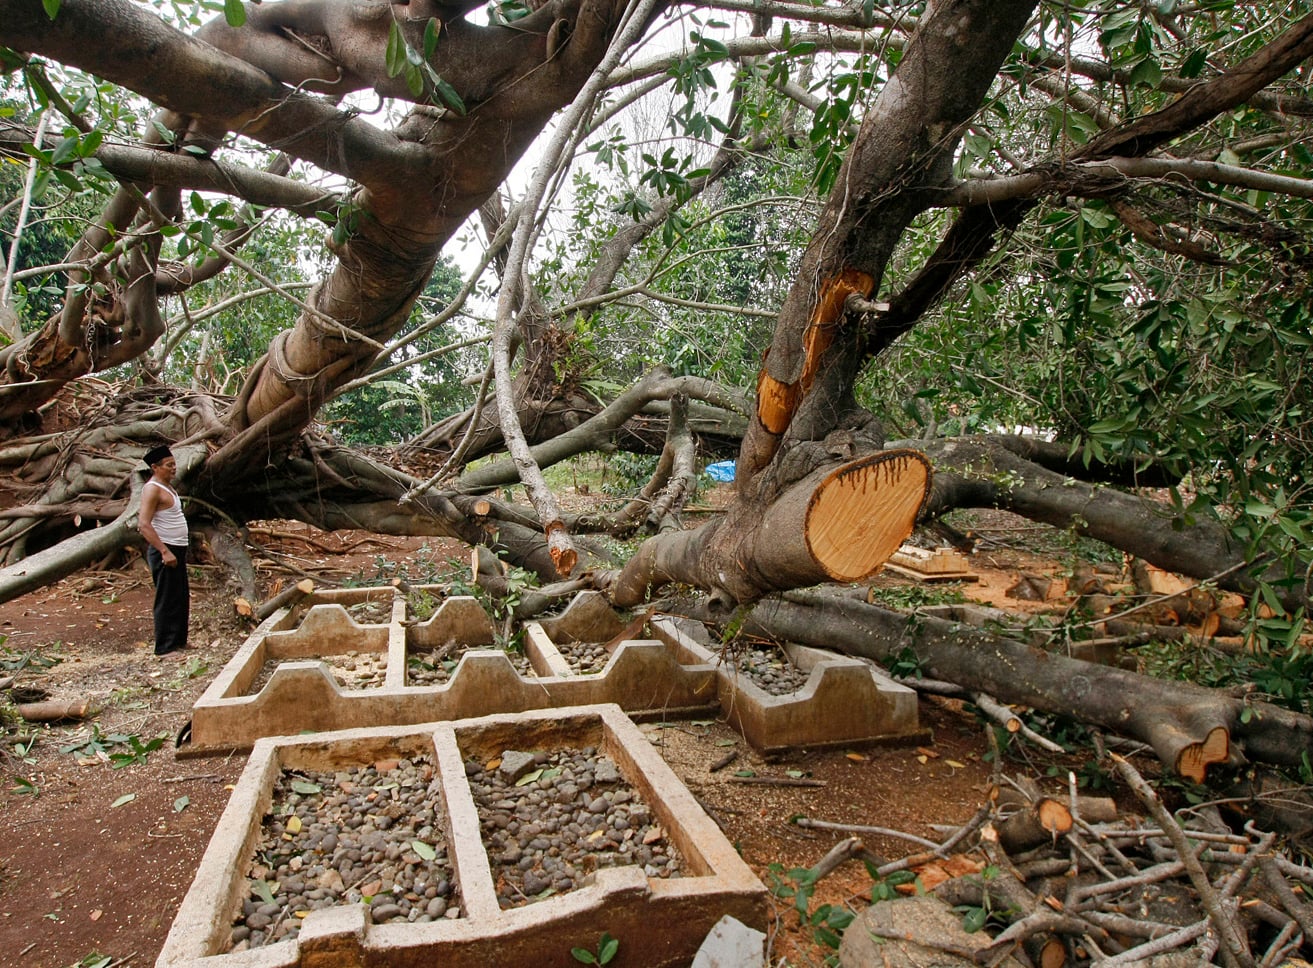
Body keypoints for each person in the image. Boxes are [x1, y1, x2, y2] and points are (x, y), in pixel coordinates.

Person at [139, 444, 190, 656]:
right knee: (166, 598)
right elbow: (143, 524)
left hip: (177, 547)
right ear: (155, 467)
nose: (173, 468)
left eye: (174, 464)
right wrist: (163, 551)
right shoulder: (152, 489)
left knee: (180, 596)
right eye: (168, 465)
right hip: (165, 549)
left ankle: (179, 641)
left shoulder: (168, 486)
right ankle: (164, 647)